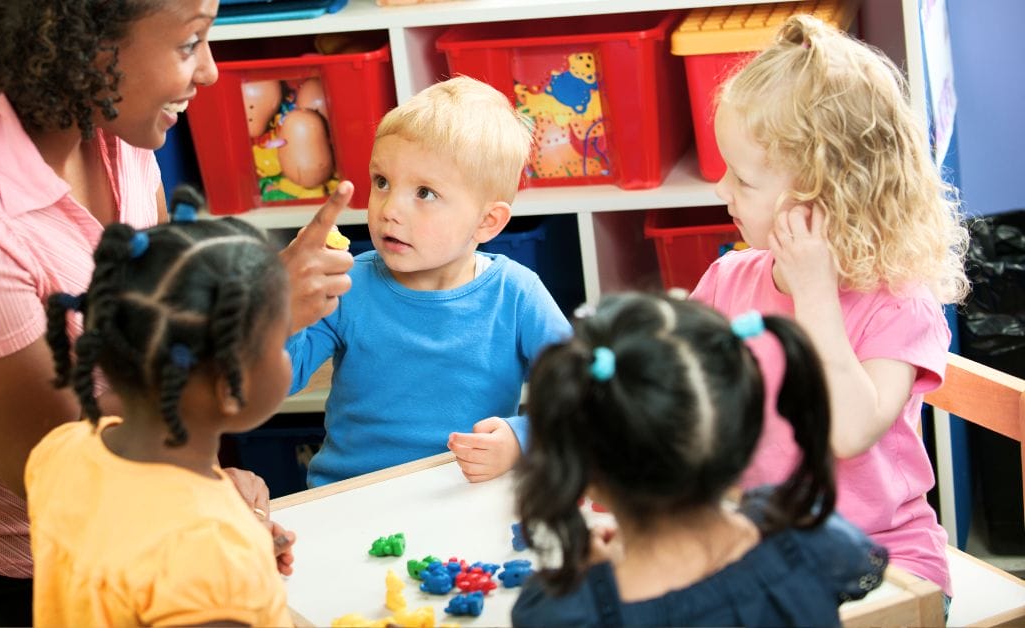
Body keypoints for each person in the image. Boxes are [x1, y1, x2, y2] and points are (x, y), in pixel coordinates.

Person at [0, 0, 352, 624]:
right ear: (89, 43)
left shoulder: (115, 129)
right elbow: (64, 471)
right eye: (189, 42)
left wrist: (209, 482)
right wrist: (258, 316)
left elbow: (157, 329)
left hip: (126, 531)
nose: (209, 72)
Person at [690, 14, 969, 602]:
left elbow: (846, 432)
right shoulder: (726, 280)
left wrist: (815, 295)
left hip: (884, 560)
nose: (721, 190)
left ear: (821, 199)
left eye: (741, 178)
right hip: (759, 549)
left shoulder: (900, 303)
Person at [511, 293, 887, 626]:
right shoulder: (808, 537)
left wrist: (591, 579)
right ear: (743, 434)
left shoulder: (567, 612)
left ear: (583, 476)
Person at [285, 76, 571, 487]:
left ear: (487, 222)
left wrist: (521, 440)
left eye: (425, 193)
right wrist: (284, 304)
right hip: (352, 496)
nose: (389, 209)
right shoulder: (347, 283)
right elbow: (282, 378)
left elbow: (582, 397)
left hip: (463, 495)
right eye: (382, 182)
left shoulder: (517, 294)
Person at [29, 216, 294, 626]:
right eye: (282, 342)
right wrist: (232, 566)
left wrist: (246, 549)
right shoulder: (207, 555)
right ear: (229, 386)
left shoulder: (63, 448)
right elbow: (185, 558)